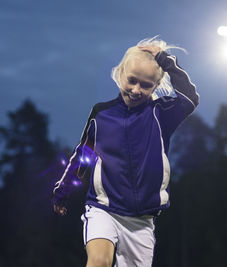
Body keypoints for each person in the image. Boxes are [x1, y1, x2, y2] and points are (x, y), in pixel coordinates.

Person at [52, 37, 199, 267]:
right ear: (120, 74)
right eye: (132, 80)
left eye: (146, 84)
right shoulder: (101, 114)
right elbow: (83, 156)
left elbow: (190, 99)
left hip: (141, 222)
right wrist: (64, 189)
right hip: (103, 209)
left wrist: (166, 61)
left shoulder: (162, 115)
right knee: (99, 261)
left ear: (156, 86)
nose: (137, 89)